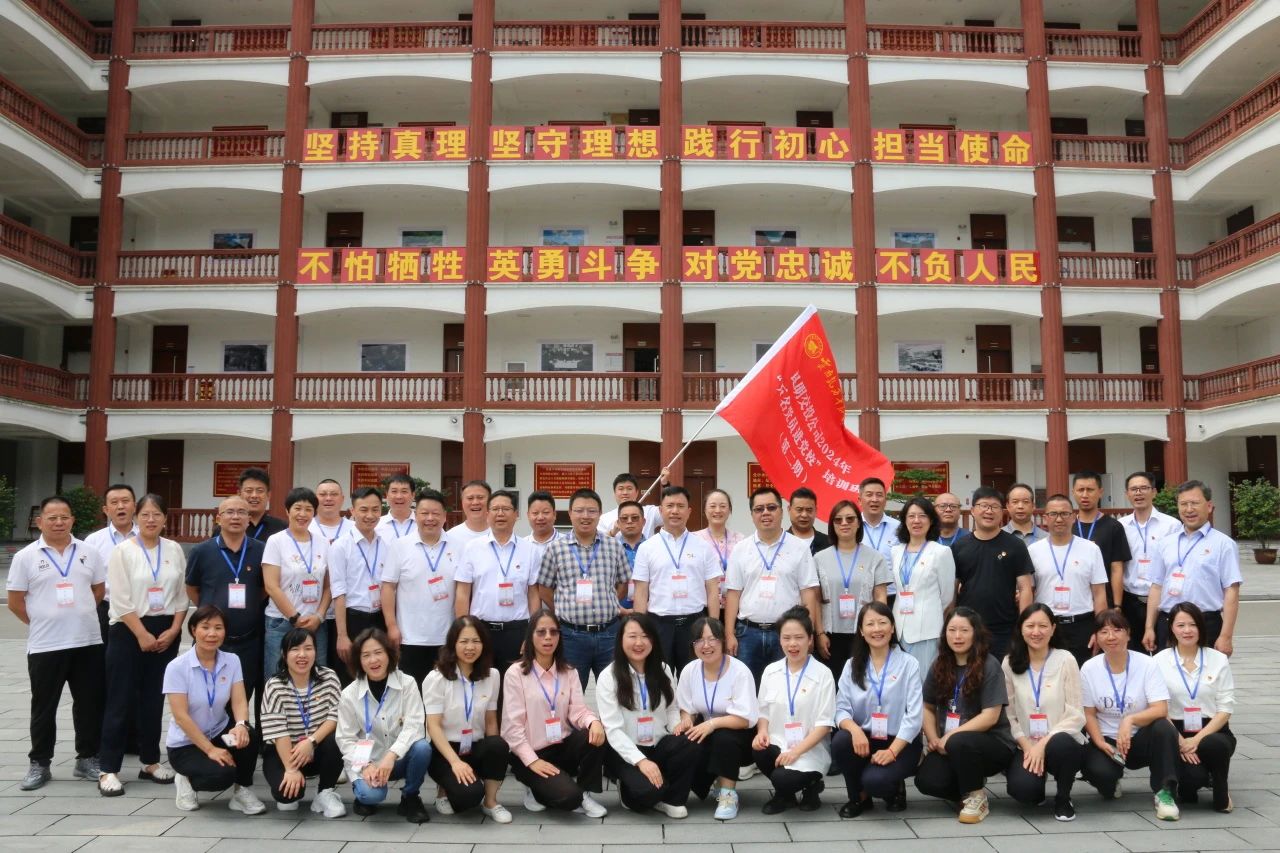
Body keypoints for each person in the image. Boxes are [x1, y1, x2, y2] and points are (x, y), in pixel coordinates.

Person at [7, 496, 107, 790]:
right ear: (40, 522)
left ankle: (87, 758)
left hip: (87, 641)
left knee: (89, 703)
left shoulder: (89, 552)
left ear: (72, 520)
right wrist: (43, 620)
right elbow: (15, 602)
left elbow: (98, 591)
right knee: (43, 706)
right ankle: (40, 763)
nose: (59, 522)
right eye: (52, 518)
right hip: (46, 645)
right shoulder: (25, 557)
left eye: (64, 517)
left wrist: (77, 615)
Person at [98, 493, 187, 796]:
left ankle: (150, 761)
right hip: (128, 630)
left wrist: (174, 629)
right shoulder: (122, 551)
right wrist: (141, 634)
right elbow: (120, 599)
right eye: (145, 514)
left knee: (154, 699)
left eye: (157, 514)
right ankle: (108, 768)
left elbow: (181, 596)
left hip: (165, 631)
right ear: (136, 518)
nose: (151, 519)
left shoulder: (174, 549)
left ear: (165, 519)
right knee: (120, 699)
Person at [914, 607, 1016, 825]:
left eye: (964, 630)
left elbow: (990, 716)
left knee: (960, 741)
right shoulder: (940, 664)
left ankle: (976, 795)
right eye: (952, 630)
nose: (957, 636)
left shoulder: (989, 665)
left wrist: (950, 736)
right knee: (927, 781)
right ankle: (967, 787)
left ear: (975, 633)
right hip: (950, 744)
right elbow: (927, 706)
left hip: (991, 744)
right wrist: (933, 738)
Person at [501, 609, 608, 816]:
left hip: (561, 746)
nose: (548, 637)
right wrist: (533, 761)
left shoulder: (568, 671)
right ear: (530, 637)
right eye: (541, 632)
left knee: (594, 734)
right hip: (531, 752)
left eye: (553, 632)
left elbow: (578, 711)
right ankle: (535, 787)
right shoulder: (516, 673)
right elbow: (511, 728)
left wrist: (593, 721)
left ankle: (585, 792)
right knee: (569, 798)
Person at [163, 604, 265, 814]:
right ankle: (186, 780)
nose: (212, 633)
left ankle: (241, 791)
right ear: (193, 630)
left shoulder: (232, 661)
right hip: (186, 744)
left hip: (219, 733)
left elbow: (239, 701)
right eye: (205, 627)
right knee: (221, 776)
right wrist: (210, 750)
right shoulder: (177, 667)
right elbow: (181, 717)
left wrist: (241, 725)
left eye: (218, 628)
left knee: (250, 736)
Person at [1080, 609, 1181, 821]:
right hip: (1108, 741)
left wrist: (1130, 720)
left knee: (1164, 727)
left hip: (1141, 737)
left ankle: (1165, 792)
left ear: (1128, 633)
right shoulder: (1089, 668)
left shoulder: (1147, 664)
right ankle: (1111, 782)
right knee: (1098, 772)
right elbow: (1088, 713)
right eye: (1104, 631)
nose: (1111, 636)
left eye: (1117, 630)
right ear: (1096, 637)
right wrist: (1099, 742)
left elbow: (1160, 708)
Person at [596, 613, 698, 817]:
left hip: (657, 742)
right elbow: (613, 730)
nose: (639, 643)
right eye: (632, 636)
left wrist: (677, 726)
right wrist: (641, 761)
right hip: (626, 750)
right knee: (647, 793)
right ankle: (629, 787)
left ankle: (673, 799)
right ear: (621, 639)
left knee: (691, 741)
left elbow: (671, 709)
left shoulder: (663, 669)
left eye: (645, 636)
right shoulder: (609, 676)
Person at [533, 487, 631, 690]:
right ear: (570, 513)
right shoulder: (556, 548)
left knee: (615, 691)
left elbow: (622, 583)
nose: (585, 516)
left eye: (592, 511)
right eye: (579, 510)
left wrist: (610, 601)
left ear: (600, 513)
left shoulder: (614, 546)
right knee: (570, 693)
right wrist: (563, 608)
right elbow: (544, 588)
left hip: (609, 634)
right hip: (571, 636)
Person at [832, 601, 923, 817]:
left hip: (900, 741)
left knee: (876, 781)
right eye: (870, 624)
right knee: (841, 742)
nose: (877, 629)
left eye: (882, 623)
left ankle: (895, 789)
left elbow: (914, 716)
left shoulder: (909, 664)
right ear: (861, 631)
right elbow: (841, 709)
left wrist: (892, 751)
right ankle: (859, 797)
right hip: (865, 738)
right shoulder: (852, 665)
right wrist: (854, 730)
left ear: (892, 628)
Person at [724, 486, 821, 684]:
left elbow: (808, 594)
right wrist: (729, 634)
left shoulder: (799, 548)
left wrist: (808, 632)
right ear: (752, 515)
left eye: (771, 507)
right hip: (747, 634)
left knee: (786, 687)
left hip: (787, 634)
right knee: (747, 689)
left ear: (781, 511)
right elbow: (733, 594)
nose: (765, 513)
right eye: (759, 509)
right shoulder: (741, 549)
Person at [335, 628, 431, 822]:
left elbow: (415, 725)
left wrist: (391, 755)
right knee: (371, 796)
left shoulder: (407, 683)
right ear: (358, 660)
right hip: (368, 762)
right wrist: (365, 766)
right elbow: (345, 739)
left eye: (378, 652)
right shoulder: (349, 694)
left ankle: (410, 797)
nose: (373, 660)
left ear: (389, 654)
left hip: (398, 758)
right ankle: (363, 795)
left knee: (422, 748)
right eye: (366, 655)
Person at [1002, 604, 1087, 822]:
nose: (1036, 632)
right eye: (1030, 626)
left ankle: (1063, 797)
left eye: (1043, 626)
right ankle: (1036, 789)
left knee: (1063, 745)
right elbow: (1009, 715)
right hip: (1026, 743)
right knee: (1023, 791)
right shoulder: (1009, 662)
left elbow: (1076, 714)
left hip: (1059, 740)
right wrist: (1028, 746)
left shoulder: (1066, 659)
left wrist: (1043, 743)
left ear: (1053, 628)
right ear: (1021, 629)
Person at [424, 616, 512, 822]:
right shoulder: (436, 679)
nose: (470, 647)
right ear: (453, 644)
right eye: (463, 641)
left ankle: (490, 802)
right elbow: (433, 726)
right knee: (468, 797)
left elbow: (491, 721)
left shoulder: (492, 675)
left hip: (475, 745)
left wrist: (494, 757)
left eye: (476, 641)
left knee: (498, 745)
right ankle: (443, 791)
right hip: (446, 750)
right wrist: (455, 762)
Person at [185, 496, 267, 712]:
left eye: (242, 512)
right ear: (218, 518)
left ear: (249, 519)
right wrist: (210, 610)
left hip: (248, 640)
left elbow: (265, 588)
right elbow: (192, 588)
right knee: (206, 698)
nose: (235, 517)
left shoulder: (261, 550)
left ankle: (238, 732)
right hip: (211, 641)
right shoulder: (201, 551)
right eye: (229, 512)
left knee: (241, 697)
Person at [752, 607, 836, 814]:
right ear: (779, 640)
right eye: (786, 638)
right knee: (758, 750)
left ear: (810, 639)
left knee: (782, 778)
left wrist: (796, 752)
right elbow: (763, 711)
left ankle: (812, 786)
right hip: (779, 743)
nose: (792, 644)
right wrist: (761, 732)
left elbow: (825, 725)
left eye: (799, 637)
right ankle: (785, 796)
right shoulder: (771, 671)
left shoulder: (823, 674)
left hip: (809, 750)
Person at [674, 616, 758, 821]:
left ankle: (728, 795)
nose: (706, 645)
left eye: (712, 639)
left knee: (724, 737)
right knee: (682, 742)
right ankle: (711, 783)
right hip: (707, 730)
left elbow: (745, 719)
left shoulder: (739, 671)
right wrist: (686, 719)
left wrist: (712, 724)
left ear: (722, 640)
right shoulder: (690, 670)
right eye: (699, 640)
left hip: (740, 734)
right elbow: (686, 708)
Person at [1153, 602, 1236, 812]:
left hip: (1212, 728)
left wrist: (1196, 739)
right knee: (1192, 778)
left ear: (1201, 627)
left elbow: (1225, 708)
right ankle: (1194, 782)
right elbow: (1158, 706)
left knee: (1215, 745)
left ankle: (1221, 792)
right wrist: (1181, 741)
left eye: (1193, 625)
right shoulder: (1159, 661)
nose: (1187, 630)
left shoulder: (1218, 659)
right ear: (1171, 628)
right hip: (1175, 729)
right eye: (1181, 625)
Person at [1144, 481, 1242, 656]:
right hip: (1168, 622)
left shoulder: (1224, 544)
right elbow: (1156, 587)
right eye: (1183, 504)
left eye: (1195, 503)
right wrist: (1149, 627)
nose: (1189, 509)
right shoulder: (1165, 543)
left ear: (1209, 506)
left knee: (1205, 672)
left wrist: (1226, 636)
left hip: (1205, 623)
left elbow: (1231, 591)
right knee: (1166, 672)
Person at [633, 485, 722, 671]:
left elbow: (713, 590)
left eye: (681, 506)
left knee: (696, 677)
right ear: (660, 510)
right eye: (670, 506)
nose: (675, 511)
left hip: (694, 624)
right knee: (658, 678)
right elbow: (641, 592)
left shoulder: (703, 547)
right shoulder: (647, 548)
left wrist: (713, 628)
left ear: (689, 511)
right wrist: (639, 630)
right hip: (659, 624)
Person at [260, 627, 345, 817]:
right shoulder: (274, 685)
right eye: (295, 649)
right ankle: (294, 781)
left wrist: (311, 742)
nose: (302, 655)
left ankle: (325, 792)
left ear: (316, 651)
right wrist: (291, 769)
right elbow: (278, 731)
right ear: (284, 654)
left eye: (308, 648)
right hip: (284, 752)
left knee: (336, 739)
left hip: (317, 748)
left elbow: (335, 716)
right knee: (287, 797)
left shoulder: (329, 677)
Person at [456, 490, 541, 677]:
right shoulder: (472, 548)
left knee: (515, 684)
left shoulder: (529, 550)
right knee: (480, 683)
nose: (500, 513)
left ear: (516, 514)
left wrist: (532, 632)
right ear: (487, 514)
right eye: (495, 509)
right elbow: (462, 593)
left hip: (517, 631)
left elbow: (533, 594)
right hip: (480, 630)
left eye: (506, 509)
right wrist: (464, 631)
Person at [384, 489, 462, 683]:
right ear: (416, 515)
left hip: (447, 637)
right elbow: (388, 588)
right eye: (424, 513)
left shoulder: (459, 546)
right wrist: (392, 626)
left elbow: (464, 591)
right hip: (409, 638)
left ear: (444, 516)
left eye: (435, 513)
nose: (430, 518)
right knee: (412, 692)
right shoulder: (400, 546)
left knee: (445, 691)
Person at [952, 486, 1034, 659]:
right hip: (968, 627)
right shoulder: (960, 546)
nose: (989, 511)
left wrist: (1024, 624)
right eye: (983, 506)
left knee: (1003, 672)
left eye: (994, 507)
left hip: (1005, 629)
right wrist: (951, 622)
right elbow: (952, 588)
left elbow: (1025, 588)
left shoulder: (1015, 545)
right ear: (973, 510)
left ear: (1002, 512)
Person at [813, 500, 890, 681]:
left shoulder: (875, 558)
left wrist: (877, 629)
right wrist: (819, 633)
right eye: (838, 520)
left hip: (863, 634)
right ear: (832, 525)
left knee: (863, 682)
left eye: (850, 519)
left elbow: (880, 595)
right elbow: (815, 599)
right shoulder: (819, 558)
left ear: (858, 523)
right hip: (830, 637)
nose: (844, 523)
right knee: (832, 683)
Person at [1027, 495, 1108, 666]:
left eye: (1064, 514)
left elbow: (1099, 594)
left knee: (1081, 675)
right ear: (1045, 518)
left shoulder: (1091, 549)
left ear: (1073, 517)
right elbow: (1029, 591)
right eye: (1053, 514)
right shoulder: (1033, 551)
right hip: (1046, 626)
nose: (1059, 519)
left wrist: (1099, 630)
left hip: (1082, 625)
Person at [262, 487, 332, 673]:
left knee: (317, 677)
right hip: (281, 622)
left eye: (308, 509)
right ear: (287, 510)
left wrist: (319, 616)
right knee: (278, 677)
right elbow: (271, 586)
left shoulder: (323, 543)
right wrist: (295, 617)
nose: (303, 514)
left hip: (315, 624)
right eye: (297, 508)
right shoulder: (276, 541)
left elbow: (329, 586)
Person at [329, 487, 388, 686]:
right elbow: (338, 592)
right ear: (352, 511)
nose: (370, 515)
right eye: (363, 510)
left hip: (380, 618)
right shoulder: (340, 546)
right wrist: (342, 635)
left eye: (375, 509)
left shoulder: (386, 544)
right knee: (351, 678)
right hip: (352, 619)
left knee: (379, 675)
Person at [889, 498, 955, 674]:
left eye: (922, 516)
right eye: (911, 516)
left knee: (924, 678)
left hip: (927, 629)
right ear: (904, 521)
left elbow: (946, 595)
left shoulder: (941, 552)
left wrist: (928, 608)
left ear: (931, 520)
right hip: (899, 626)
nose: (916, 521)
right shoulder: (896, 551)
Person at [1119, 472, 1180, 652]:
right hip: (1130, 601)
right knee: (1133, 655)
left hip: (1163, 601)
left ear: (1154, 492)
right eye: (1133, 489)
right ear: (1127, 494)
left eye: (1143, 488)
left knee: (1165, 654)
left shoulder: (1172, 526)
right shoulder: (1121, 526)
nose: (1138, 493)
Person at [83, 483, 137, 643]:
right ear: (106, 510)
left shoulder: (146, 537)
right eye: (114, 502)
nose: (120, 506)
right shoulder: (93, 541)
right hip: (105, 608)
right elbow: (85, 578)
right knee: (103, 655)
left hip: (140, 607)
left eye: (125, 501)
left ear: (134, 506)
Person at [1071, 471, 1132, 607]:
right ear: (1073, 492)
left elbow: (1117, 569)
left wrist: (1117, 606)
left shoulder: (1113, 527)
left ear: (1100, 492)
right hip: (1074, 601)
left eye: (1090, 490)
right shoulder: (1068, 527)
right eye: (1080, 490)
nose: (1085, 495)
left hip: (1104, 600)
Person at [692, 488, 744, 614]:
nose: (717, 510)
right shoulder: (694, 539)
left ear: (729, 510)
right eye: (712, 506)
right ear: (704, 510)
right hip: (703, 608)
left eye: (723, 506)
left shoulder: (740, 540)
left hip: (734, 607)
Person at [598, 472, 663, 540]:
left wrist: (665, 484)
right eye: (621, 489)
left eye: (629, 489)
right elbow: (597, 541)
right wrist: (612, 532)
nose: (625, 493)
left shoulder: (650, 512)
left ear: (637, 492)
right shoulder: (605, 519)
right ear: (614, 493)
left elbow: (668, 515)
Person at [237, 467, 288, 542]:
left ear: (268, 495)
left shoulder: (282, 528)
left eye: (260, 491)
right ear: (239, 494)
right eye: (249, 491)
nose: (254, 495)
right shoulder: (228, 526)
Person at [615, 500, 646, 609]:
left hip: (648, 612)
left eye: (635, 518)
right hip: (615, 612)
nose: (629, 521)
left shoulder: (654, 548)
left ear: (644, 522)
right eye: (624, 518)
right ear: (618, 523)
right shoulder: (610, 549)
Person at [523, 490, 564, 569]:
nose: (540, 517)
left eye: (546, 512)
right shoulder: (521, 546)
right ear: (528, 515)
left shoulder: (567, 543)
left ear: (554, 514)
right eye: (535, 513)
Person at [447, 479, 493, 550]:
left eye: (480, 497)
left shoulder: (501, 533)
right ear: (462, 502)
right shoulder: (450, 537)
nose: (475, 502)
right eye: (470, 498)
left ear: (490, 501)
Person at [787, 487, 830, 554]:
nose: (804, 515)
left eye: (809, 510)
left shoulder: (828, 543)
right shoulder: (779, 542)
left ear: (815, 511)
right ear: (789, 509)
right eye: (799, 509)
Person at [375, 474, 416, 543]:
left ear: (413, 495)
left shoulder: (423, 524)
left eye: (404, 491)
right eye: (394, 491)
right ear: (387, 495)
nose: (399, 496)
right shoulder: (376, 525)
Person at [311, 479, 350, 545]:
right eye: (322, 494)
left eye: (334, 494)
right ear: (315, 499)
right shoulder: (306, 527)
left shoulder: (355, 528)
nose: (328, 498)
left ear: (342, 499)